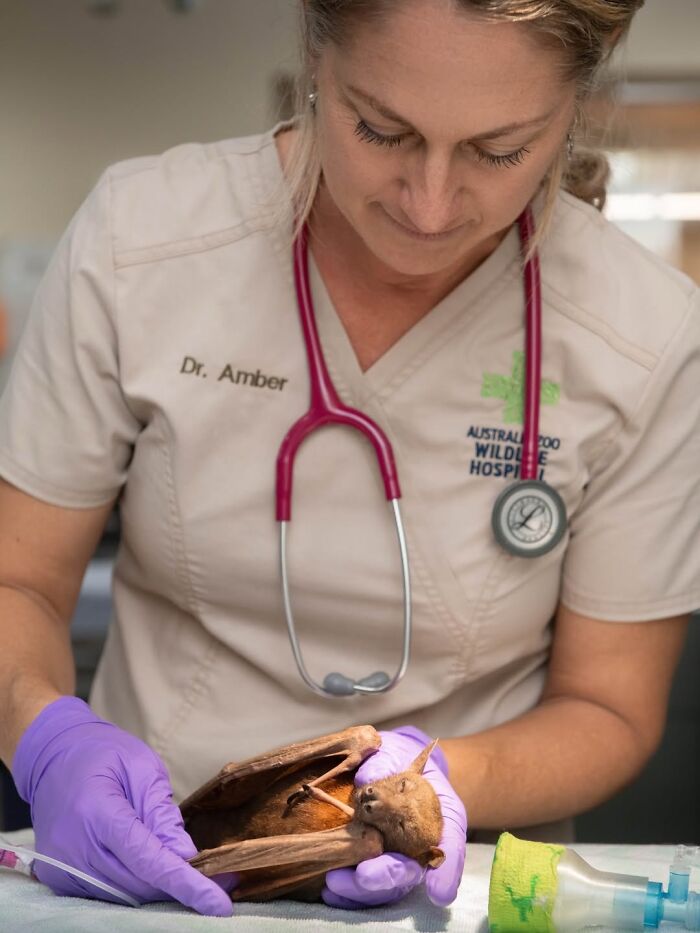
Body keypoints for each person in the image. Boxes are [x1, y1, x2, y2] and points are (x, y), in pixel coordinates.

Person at [0, 0, 697, 919]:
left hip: (457, 883)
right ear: (315, 59)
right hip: (148, 866)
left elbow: (610, 706)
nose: (430, 202)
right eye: (380, 128)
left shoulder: (643, 331)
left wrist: (440, 779)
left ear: (575, 106)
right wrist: (48, 736)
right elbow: (23, 583)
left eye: (499, 151)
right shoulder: (143, 241)